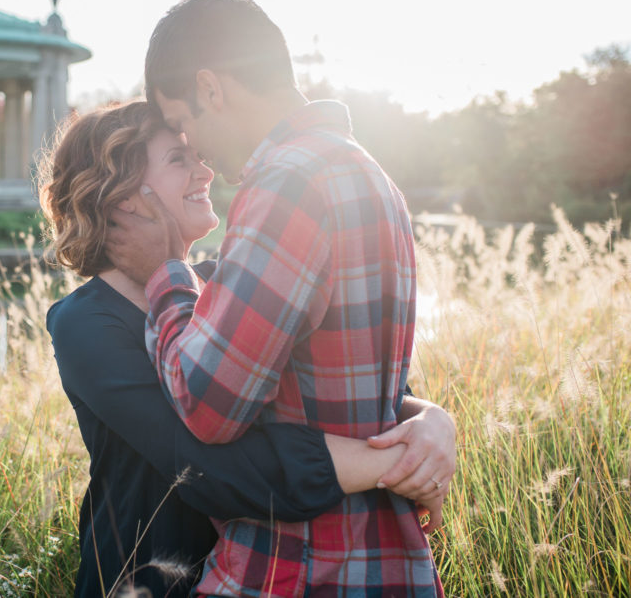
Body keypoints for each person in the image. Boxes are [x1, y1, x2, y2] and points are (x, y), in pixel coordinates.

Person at [40, 101, 455, 597]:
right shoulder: (87, 322)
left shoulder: (218, 283)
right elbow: (208, 470)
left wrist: (430, 418)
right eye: (178, 159)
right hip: (143, 583)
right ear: (124, 196)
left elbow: (337, 383)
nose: (205, 170)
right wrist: (392, 464)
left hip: (259, 571)